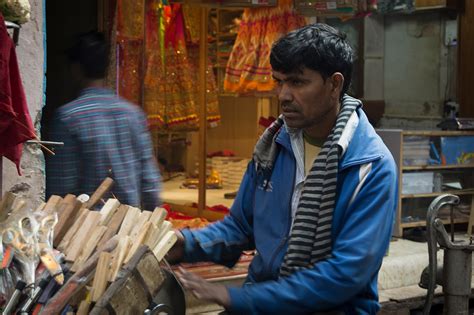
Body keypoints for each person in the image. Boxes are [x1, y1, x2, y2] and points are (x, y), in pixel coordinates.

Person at [168, 23, 398, 314]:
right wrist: (182, 244)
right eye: (279, 82)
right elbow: (240, 226)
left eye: (298, 82)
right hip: (263, 299)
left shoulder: (370, 167)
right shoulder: (274, 147)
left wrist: (239, 298)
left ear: (334, 85)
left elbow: (344, 275)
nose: (283, 95)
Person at [45, 32, 161, 210]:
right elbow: (151, 184)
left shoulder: (68, 118)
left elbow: (61, 190)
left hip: (87, 232)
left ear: (75, 69)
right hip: (131, 228)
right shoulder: (133, 114)